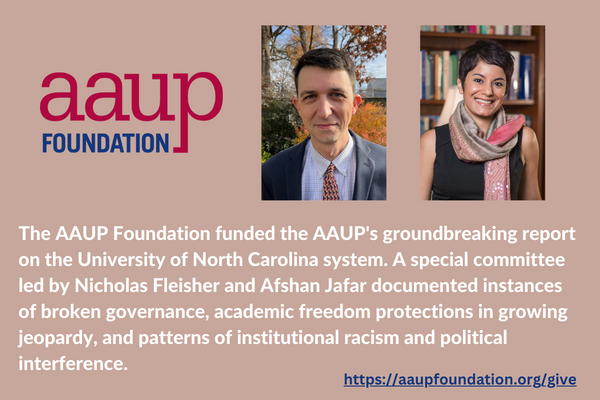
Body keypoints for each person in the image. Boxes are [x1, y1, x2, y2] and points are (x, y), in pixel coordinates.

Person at [420, 40, 542, 200]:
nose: (488, 91)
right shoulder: (431, 142)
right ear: (461, 84)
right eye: (478, 80)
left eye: (497, 83)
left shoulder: (525, 138)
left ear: (505, 91)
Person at [262, 48, 386, 201]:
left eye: (336, 95)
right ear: (298, 106)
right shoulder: (270, 175)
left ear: (354, 104)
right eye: (310, 96)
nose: (324, 112)